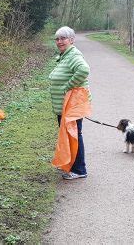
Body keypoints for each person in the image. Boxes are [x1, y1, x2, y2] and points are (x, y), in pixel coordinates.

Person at [49, 26, 91, 180]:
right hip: (66, 106)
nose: (59, 41)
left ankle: (79, 169)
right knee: (70, 135)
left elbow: (84, 70)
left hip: (72, 105)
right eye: (57, 39)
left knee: (74, 135)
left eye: (63, 38)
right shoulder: (65, 55)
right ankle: (72, 166)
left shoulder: (73, 55)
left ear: (71, 40)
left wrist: (68, 86)